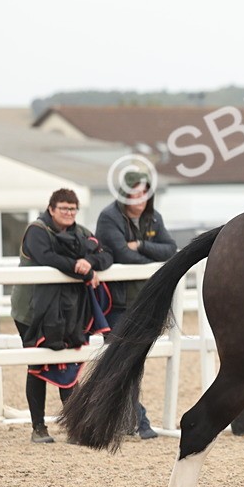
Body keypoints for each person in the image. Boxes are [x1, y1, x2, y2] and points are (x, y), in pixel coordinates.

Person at [10, 189, 113, 443]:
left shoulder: (80, 232)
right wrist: (84, 270)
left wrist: (89, 262)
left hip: (68, 311)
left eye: (73, 209)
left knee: (69, 362)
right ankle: (38, 427)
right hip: (32, 311)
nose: (69, 213)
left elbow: (106, 255)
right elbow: (48, 258)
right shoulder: (36, 231)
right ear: (52, 209)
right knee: (38, 363)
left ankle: (74, 426)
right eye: (64, 208)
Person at [95, 171, 177, 439]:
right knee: (122, 362)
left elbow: (170, 249)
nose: (140, 198)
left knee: (130, 363)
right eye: (134, 193)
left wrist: (141, 244)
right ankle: (138, 421)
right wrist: (154, 266)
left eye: (144, 192)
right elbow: (123, 255)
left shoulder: (153, 217)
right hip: (116, 303)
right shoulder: (109, 217)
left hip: (141, 301)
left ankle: (124, 420)